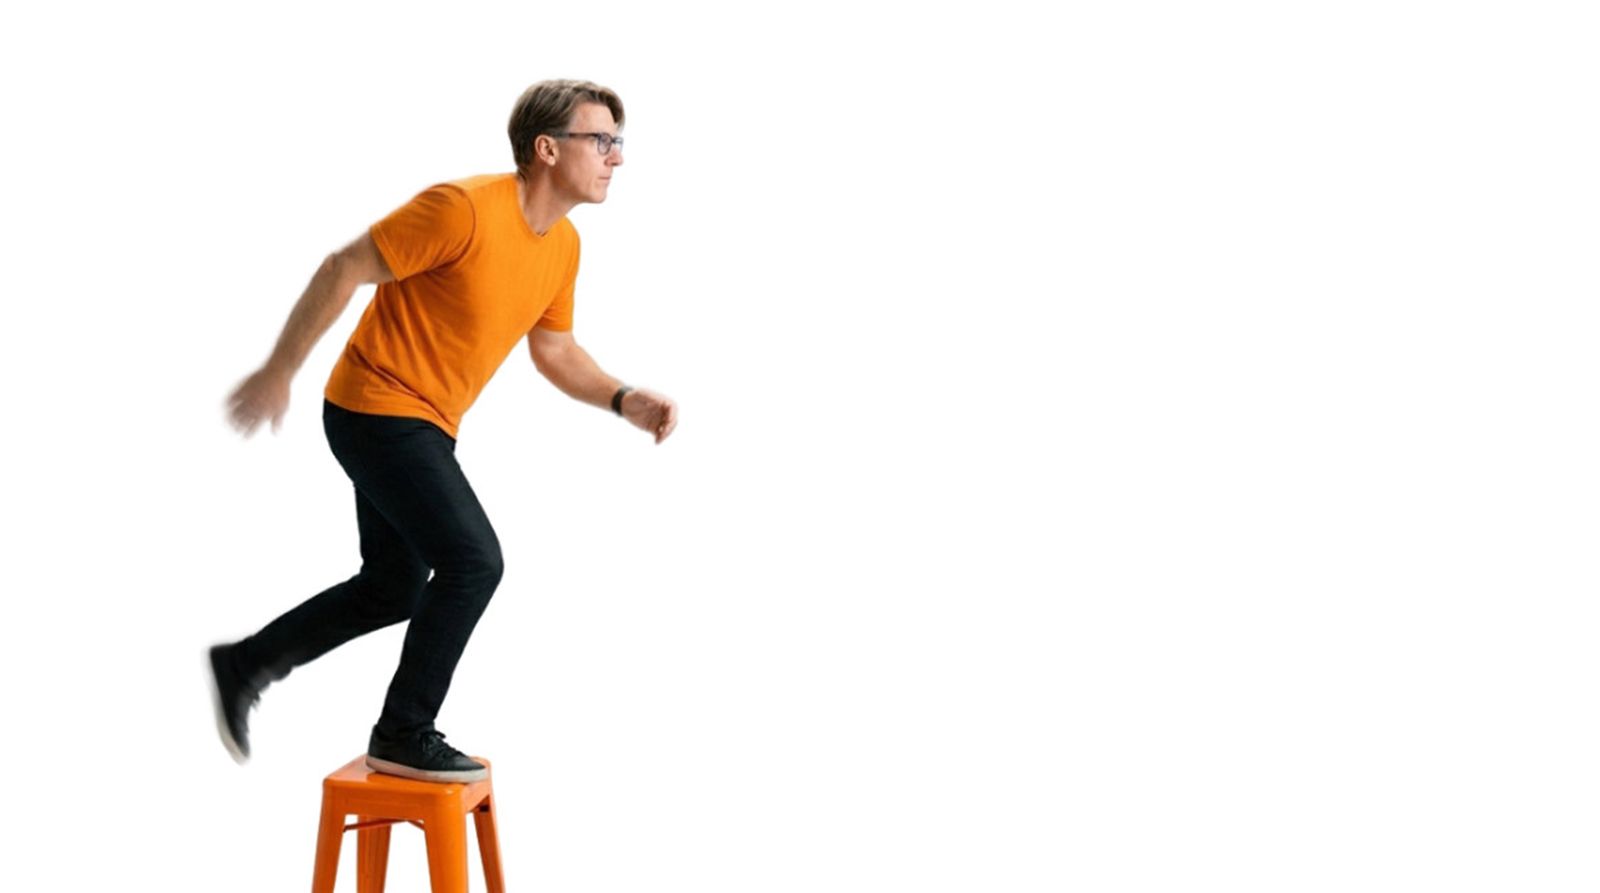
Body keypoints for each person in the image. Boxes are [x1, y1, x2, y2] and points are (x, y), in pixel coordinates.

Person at [208, 79, 676, 783]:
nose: (617, 156)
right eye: (601, 139)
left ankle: (244, 662)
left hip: (427, 423)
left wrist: (621, 396)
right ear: (547, 149)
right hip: (375, 407)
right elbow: (345, 266)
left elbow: (554, 350)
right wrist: (280, 368)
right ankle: (403, 731)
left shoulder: (563, 245)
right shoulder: (461, 210)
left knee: (394, 586)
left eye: (618, 141)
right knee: (473, 561)